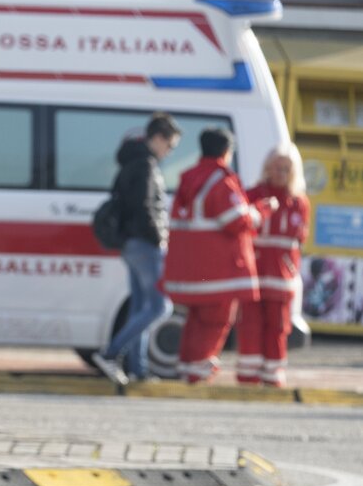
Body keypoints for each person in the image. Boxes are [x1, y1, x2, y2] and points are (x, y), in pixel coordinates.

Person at [161, 127, 263, 384]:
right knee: (215, 322)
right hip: (220, 272)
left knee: (195, 320)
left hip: (194, 269)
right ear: (227, 151)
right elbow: (236, 221)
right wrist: (259, 212)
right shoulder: (221, 180)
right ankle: (199, 373)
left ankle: (187, 368)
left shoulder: (189, 178)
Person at [88, 114, 182, 386]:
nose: (169, 152)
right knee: (160, 306)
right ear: (158, 138)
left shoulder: (131, 162)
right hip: (145, 244)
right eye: (170, 145)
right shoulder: (146, 166)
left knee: (140, 307)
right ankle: (110, 353)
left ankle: (138, 369)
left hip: (130, 243)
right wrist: (158, 237)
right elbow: (145, 207)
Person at [242, 144, 310, 387]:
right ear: (267, 168)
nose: (280, 173)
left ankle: (273, 376)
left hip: (282, 279)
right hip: (254, 275)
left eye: (286, 168)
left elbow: (299, 240)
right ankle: (248, 376)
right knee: (250, 325)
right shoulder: (253, 195)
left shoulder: (299, 202)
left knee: (278, 327)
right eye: (276, 167)